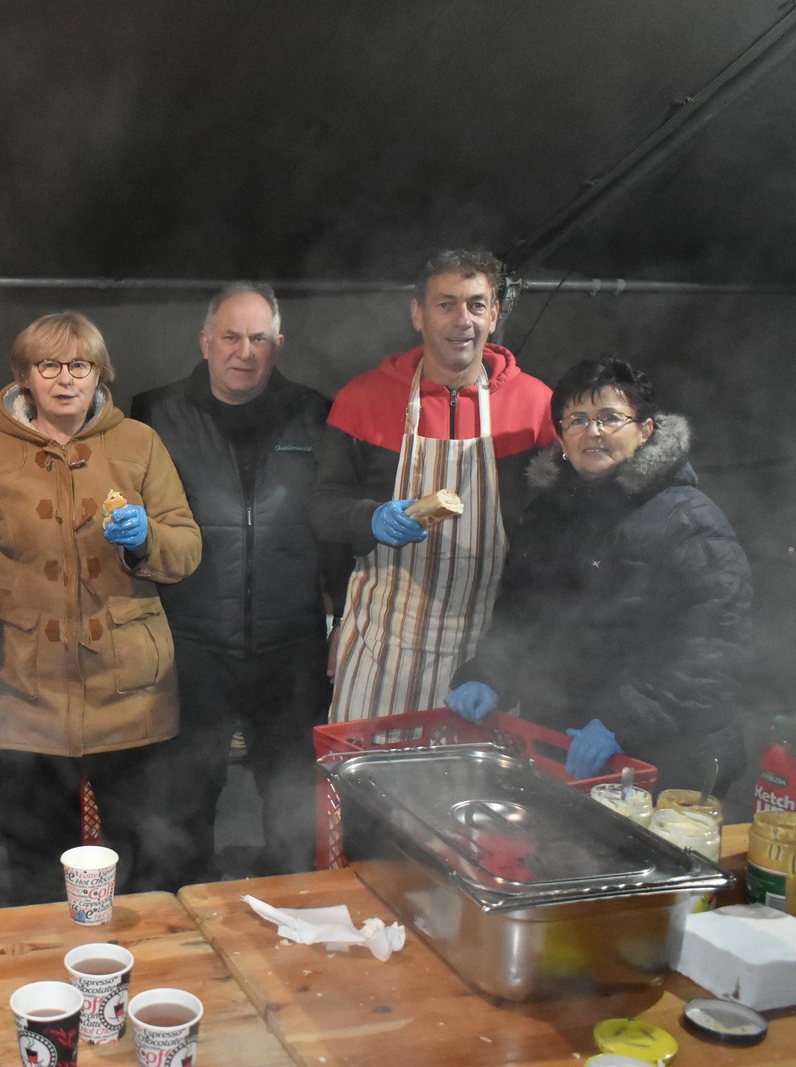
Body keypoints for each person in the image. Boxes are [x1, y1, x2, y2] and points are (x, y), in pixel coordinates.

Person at [0, 311, 201, 906]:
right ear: (24, 376)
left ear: (99, 375)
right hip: (25, 699)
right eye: (48, 365)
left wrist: (147, 539)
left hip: (132, 698)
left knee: (146, 866)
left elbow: (187, 549)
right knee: (35, 871)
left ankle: (145, 979)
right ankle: (49, 986)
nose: (65, 379)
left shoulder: (139, 443)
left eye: (80, 366)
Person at [446, 359, 753, 792]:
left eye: (611, 418)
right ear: (560, 436)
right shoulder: (545, 514)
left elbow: (717, 650)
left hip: (663, 760)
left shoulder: (689, 519)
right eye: (578, 420)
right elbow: (521, 616)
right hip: (563, 744)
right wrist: (487, 675)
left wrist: (621, 722)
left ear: (646, 429)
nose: (594, 432)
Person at [130, 283, 335, 881]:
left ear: (278, 344)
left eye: (259, 338)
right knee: (182, 807)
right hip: (192, 646)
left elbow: (335, 529)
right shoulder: (154, 413)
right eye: (231, 337)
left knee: (294, 804)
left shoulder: (315, 413)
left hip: (291, 647)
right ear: (205, 341)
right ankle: (186, 926)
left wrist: (343, 618)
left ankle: (292, 927)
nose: (244, 352)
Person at [311, 249, 555, 722]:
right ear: (417, 314)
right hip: (382, 648)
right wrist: (370, 517)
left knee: (470, 795)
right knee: (366, 790)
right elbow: (323, 507)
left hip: (487, 656)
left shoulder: (535, 406)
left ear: (495, 314)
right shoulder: (363, 399)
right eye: (446, 304)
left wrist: (508, 663)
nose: (463, 320)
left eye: (476, 304)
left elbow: (550, 539)